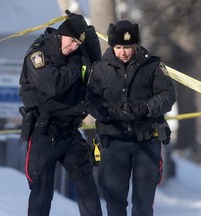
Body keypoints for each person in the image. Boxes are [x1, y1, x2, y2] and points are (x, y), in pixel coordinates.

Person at [86, 20, 176, 216]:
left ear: (135, 45)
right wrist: (111, 111)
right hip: (113, 141)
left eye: (127, 47)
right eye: (118, 47)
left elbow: (168, 96)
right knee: (115, 205)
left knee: (143, 206)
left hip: (146, 142)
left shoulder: (153, 65)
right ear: (112, 46)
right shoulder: (100, 69)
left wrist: (144, 107)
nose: (123, 52)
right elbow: (91, 100)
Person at [19, 10, 103, 216]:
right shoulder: (39, 53)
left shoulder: (78, 53)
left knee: (88, 188)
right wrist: (75, 68)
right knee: (42, 192)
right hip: (44, 132)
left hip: (70, 132)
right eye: (71, 41)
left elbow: (97, 62)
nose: (73, 46)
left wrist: (88, 32)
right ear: (61, 34)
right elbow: (53, 84)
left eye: (77, 44)